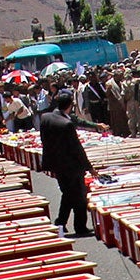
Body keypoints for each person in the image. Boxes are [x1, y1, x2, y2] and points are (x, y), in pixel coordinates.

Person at [37, 91, 93, 238]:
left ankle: (60, 223)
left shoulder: (46, 117)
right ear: (70, 106)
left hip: (56, 163)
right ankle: (80, 227)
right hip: (72, 165)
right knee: (79, 196)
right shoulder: (66, 124)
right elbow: (77, 148)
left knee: (67, 194)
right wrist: (89, 167)